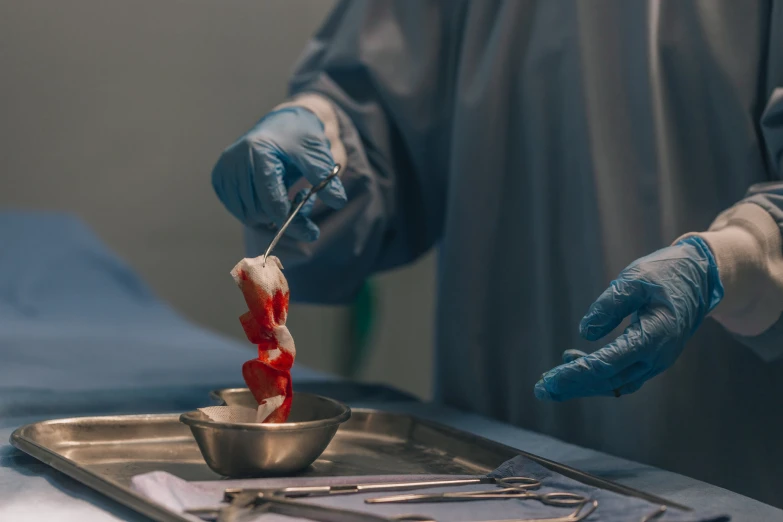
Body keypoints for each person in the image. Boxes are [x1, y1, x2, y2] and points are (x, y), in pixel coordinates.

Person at [211, 0, 783, 507]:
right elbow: (384, 103)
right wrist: (323, 133)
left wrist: (736, 259)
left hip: (714, 440)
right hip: (486, 450)